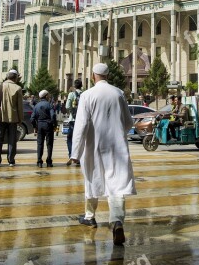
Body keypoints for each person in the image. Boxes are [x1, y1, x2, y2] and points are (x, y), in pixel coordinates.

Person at [71, 63, 136, 246]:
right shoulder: (118, 93)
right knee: (116, 185)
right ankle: (116, 221)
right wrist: (118, 132)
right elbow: (128, 122)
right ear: (107, 75)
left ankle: (90, 216)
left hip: (95, 146)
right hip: (116, 146)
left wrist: (75, 152)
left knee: (92, 179)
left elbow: (81, 126)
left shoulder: (87, 95)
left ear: (93, 76)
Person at [0, 69, 24, 167]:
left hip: (0, 117)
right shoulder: (18, 88)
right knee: (12, 140)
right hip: (13, 118)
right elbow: (20, 106)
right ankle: (11, 160)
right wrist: (20, 118)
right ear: (15, 77)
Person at [31, 90, 57, 168]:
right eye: (48, 95)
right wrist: (54, 124)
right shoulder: (49, 105)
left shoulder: (36, 106)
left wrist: (35, 126)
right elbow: (53, 116)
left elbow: (32, 118)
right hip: (48, 125)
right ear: (46, 96)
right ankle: (49, 161)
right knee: (49, 144)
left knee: (40, 144)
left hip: (39, 125)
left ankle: (39, 161)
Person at [65, 79, 83, 166]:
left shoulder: (72, 94)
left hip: (73, 120)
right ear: (81, 85)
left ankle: (71, 155)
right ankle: (79, 157)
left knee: (70, 138)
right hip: (82, 120)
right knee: (81, 139)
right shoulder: (84, 94)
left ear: (74, 86)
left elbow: (67, 106)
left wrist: (72, 112)